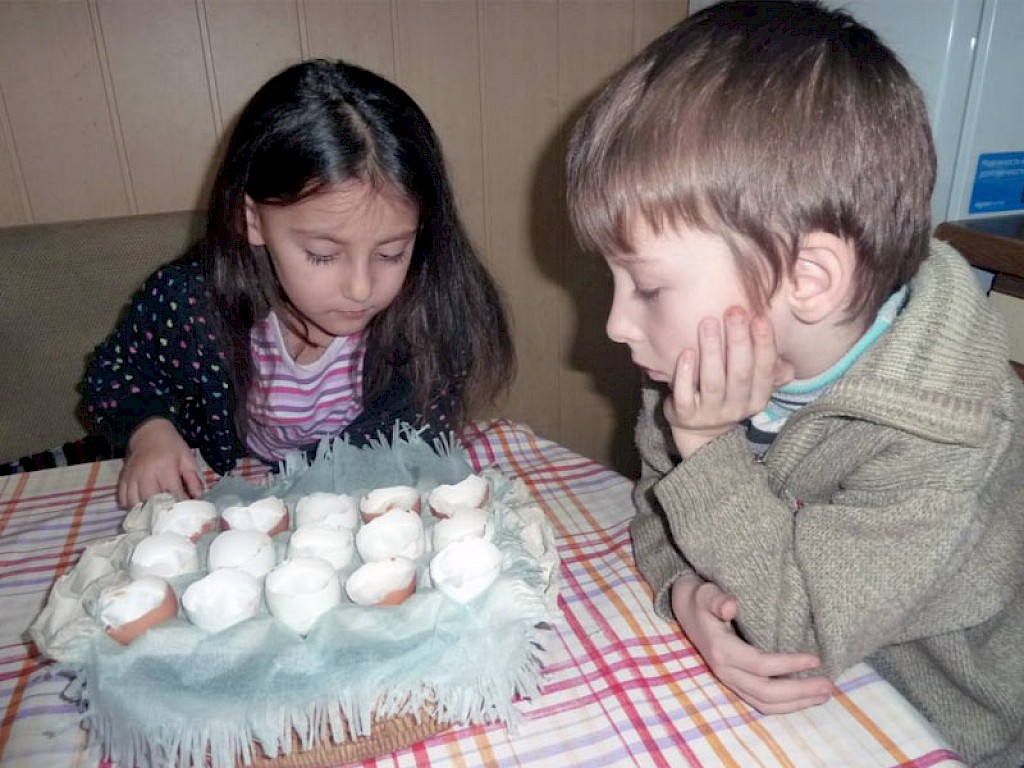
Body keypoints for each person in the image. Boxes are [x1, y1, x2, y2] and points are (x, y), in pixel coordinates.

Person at [565, 2, 1024, 766]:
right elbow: (657, 502)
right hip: (814, 683)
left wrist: (708, 446)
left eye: (646, 287)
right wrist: (684, 592)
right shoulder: (697, 360)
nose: (616, 325)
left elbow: (797, 622)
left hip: (957, 722)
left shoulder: (940, 427)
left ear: (807, 278)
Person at [85, 59, 515, 510]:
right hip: (226, 495)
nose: (361, 288)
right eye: (323, 255)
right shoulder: (190, 302)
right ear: (253, 220)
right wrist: (149, 432)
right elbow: (117, 372)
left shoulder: (425, 312)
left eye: (391, 253)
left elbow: (409, 441)